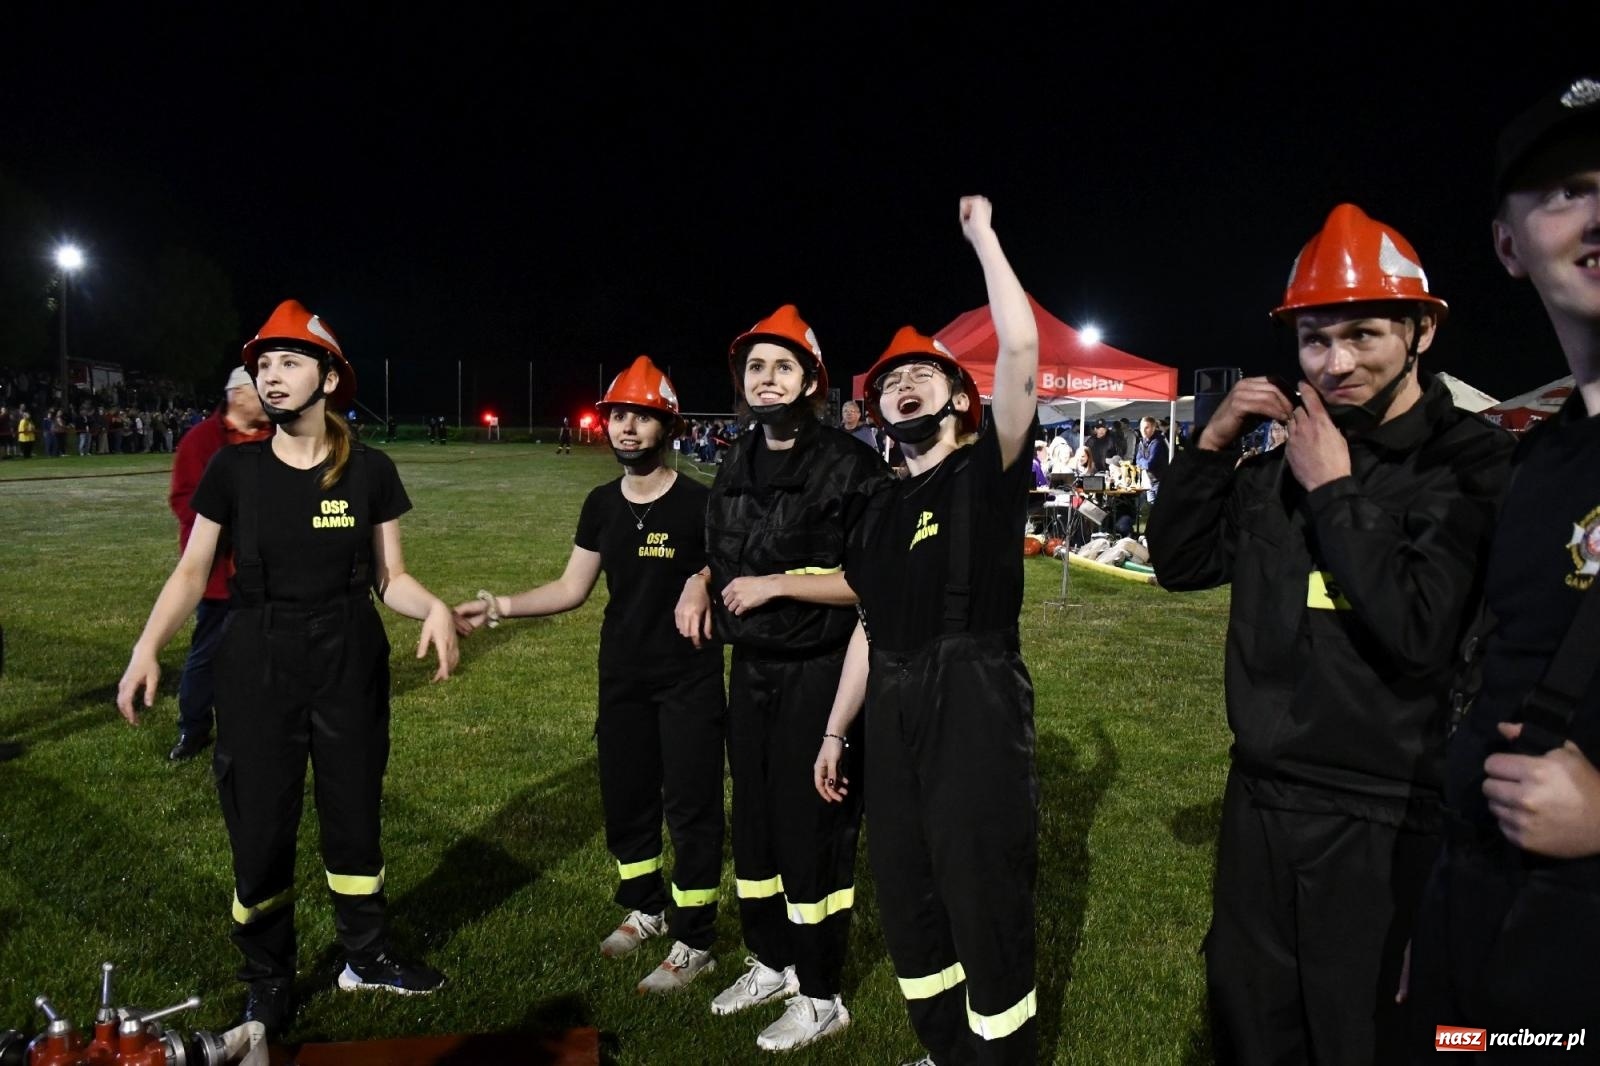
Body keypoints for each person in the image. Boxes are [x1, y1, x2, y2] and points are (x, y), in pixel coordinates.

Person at [1147, 204, 1513, 1064]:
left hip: (1388, 816)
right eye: (1316, 339)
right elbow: (1179, 561)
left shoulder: (1474, 467)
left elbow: (1421, 632)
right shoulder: (1284, 464)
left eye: (1364, 334)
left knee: (1364, 1035)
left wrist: (1338, 495)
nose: (1336, 362)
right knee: (1252, 1022)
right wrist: (1211, 445)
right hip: (1264, 801)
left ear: (1422, 330)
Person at [115, 300, 459, 1037]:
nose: (271, 375)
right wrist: (148, 648)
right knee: (261, 826)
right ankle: (266, 980)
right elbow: (191, 572)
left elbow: (389, 576)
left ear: (330, 378)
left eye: (290, 361)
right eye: (263, 364)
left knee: (354, 817)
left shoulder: (370, 470)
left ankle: (365, 956)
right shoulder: (232, 470)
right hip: (257, 657)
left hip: (347, 655)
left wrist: (431, 606)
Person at [815, 195, 1041, 1066]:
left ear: (958, 397)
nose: (902, 386)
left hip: (973, 698)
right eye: (887, 383)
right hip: (894, 704)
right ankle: (946, 1049)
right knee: (907, 891)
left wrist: (983, 237)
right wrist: (838, 727)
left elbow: (1022, 350)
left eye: (923, 376)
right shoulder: (875, 508)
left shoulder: (987, 472)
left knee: (981, 894)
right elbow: (870, 624)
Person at [1407, 76, 1600, 1049]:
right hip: (1480, 931)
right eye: (1565, 191)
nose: (1599, 213)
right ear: (1507, 246)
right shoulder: (1540, 462)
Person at [454, 355, 726, 995]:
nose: (626, 428)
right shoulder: (601, 504)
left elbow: (733, 571)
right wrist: (500, 606)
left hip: (688, 680)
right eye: (618, 416)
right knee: (627, 798)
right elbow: (573, 587)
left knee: (690, 808)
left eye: (641, 417)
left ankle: (695, 941)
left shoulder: (700, 505)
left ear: (669, 427)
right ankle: (646, 908)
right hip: (623, 677)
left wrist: (702, 577)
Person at [675, 303, 890, 1053]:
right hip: (751, 670)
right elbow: (729, 550)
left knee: (814, 834)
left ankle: (823, 991)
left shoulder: (851, 465)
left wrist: (777, 585)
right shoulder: (736, 457)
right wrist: (701, 580)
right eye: (755, 368)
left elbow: (872, 581)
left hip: (820, 672)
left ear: (812, 381)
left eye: (783, 367)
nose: (767, 380)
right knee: (758, 830)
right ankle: (772, 961)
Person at [165, 366, 273, 762]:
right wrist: (228, 524)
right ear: (239, 395)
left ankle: (254, 727)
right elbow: (183, 500)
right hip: (219, 576)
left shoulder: (278, 437)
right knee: (208, 653)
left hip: (269, 575)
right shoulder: (201, 441)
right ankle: (193, 728)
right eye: (262, 392)